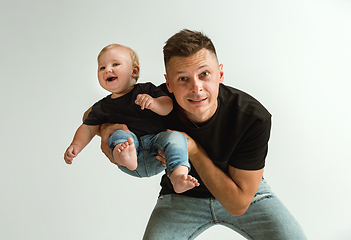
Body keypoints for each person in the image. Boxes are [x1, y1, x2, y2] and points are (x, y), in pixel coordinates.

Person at [98, 30, 307, 239]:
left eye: (204, 74)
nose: (196, 88)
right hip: (181, 195)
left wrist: (194, 150)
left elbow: (237, 204)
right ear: (168, 84)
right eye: (182, 79)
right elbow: (97, 113)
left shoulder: (252, 117)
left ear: (220, 74)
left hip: (240, 190)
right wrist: (106, 129)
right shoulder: (154, 103)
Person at [64, 43, 199, 194]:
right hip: (129, 155)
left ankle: (178, 177)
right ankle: (125, 155)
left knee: (176, 137)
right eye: (102, 67)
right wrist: (75, 145)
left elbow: (168, 106)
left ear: (134, 71)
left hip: (157, 149)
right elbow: (88, 128)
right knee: (119, 134)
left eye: (115, 64)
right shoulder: (102, 106)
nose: (107, 69)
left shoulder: (146, 89)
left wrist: (154, 103)